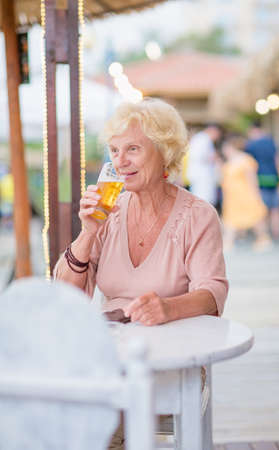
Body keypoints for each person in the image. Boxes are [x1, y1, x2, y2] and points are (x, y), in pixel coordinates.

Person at [54, 98, 228, 449]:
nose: (120, 160)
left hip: (172, 355)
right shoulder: (109, 211)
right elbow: (65, 295)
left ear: (163, 152)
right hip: (108, 352)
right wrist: (87, 232)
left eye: (132, 148)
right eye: (115, 150)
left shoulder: (198, 216)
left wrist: (168, 308)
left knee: (89, 414)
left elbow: (212, 293)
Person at [221, 135, 272, 251]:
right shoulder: (230, 161)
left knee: (255, 217)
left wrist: (256, 195)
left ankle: (263, 239)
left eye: (225, 148)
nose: (224, 150)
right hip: (232, 196)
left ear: (231, 147)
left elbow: (252, 179)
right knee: (230, 218)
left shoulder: (246, 160)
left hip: (245, 194)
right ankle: (228, 242)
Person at [245, 122, 279, 239]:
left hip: (259, 179)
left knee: (262, 208)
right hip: (273, 178)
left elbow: (248, 164)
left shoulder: (250, 145)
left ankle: (264, 233)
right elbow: (278, 160)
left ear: (252, 130)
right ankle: (277, 232)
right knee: (276, 208)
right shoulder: (271, 142)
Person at [187, 123, 222, 206]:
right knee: (202, 200)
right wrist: (214, 157)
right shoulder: (202, 139)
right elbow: (197, 156)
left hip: (203, 175)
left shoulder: (203, 139)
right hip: (201, 176)